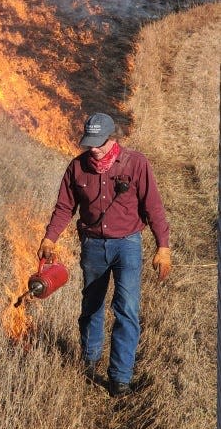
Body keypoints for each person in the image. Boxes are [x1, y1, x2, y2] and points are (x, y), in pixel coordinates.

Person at [37, 112, 171, 398]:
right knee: (92, 306)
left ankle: (120, 379)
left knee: (127, 310)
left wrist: (163, 246)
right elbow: (64, 208)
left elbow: (154, 207)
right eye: (89, 143)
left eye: (99, 142)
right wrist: (49, 238)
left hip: (128, 246)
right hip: (93, 246)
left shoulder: (136, 164)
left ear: (113, 138)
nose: (93, 148)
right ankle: (89, 361)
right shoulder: (77, 168)